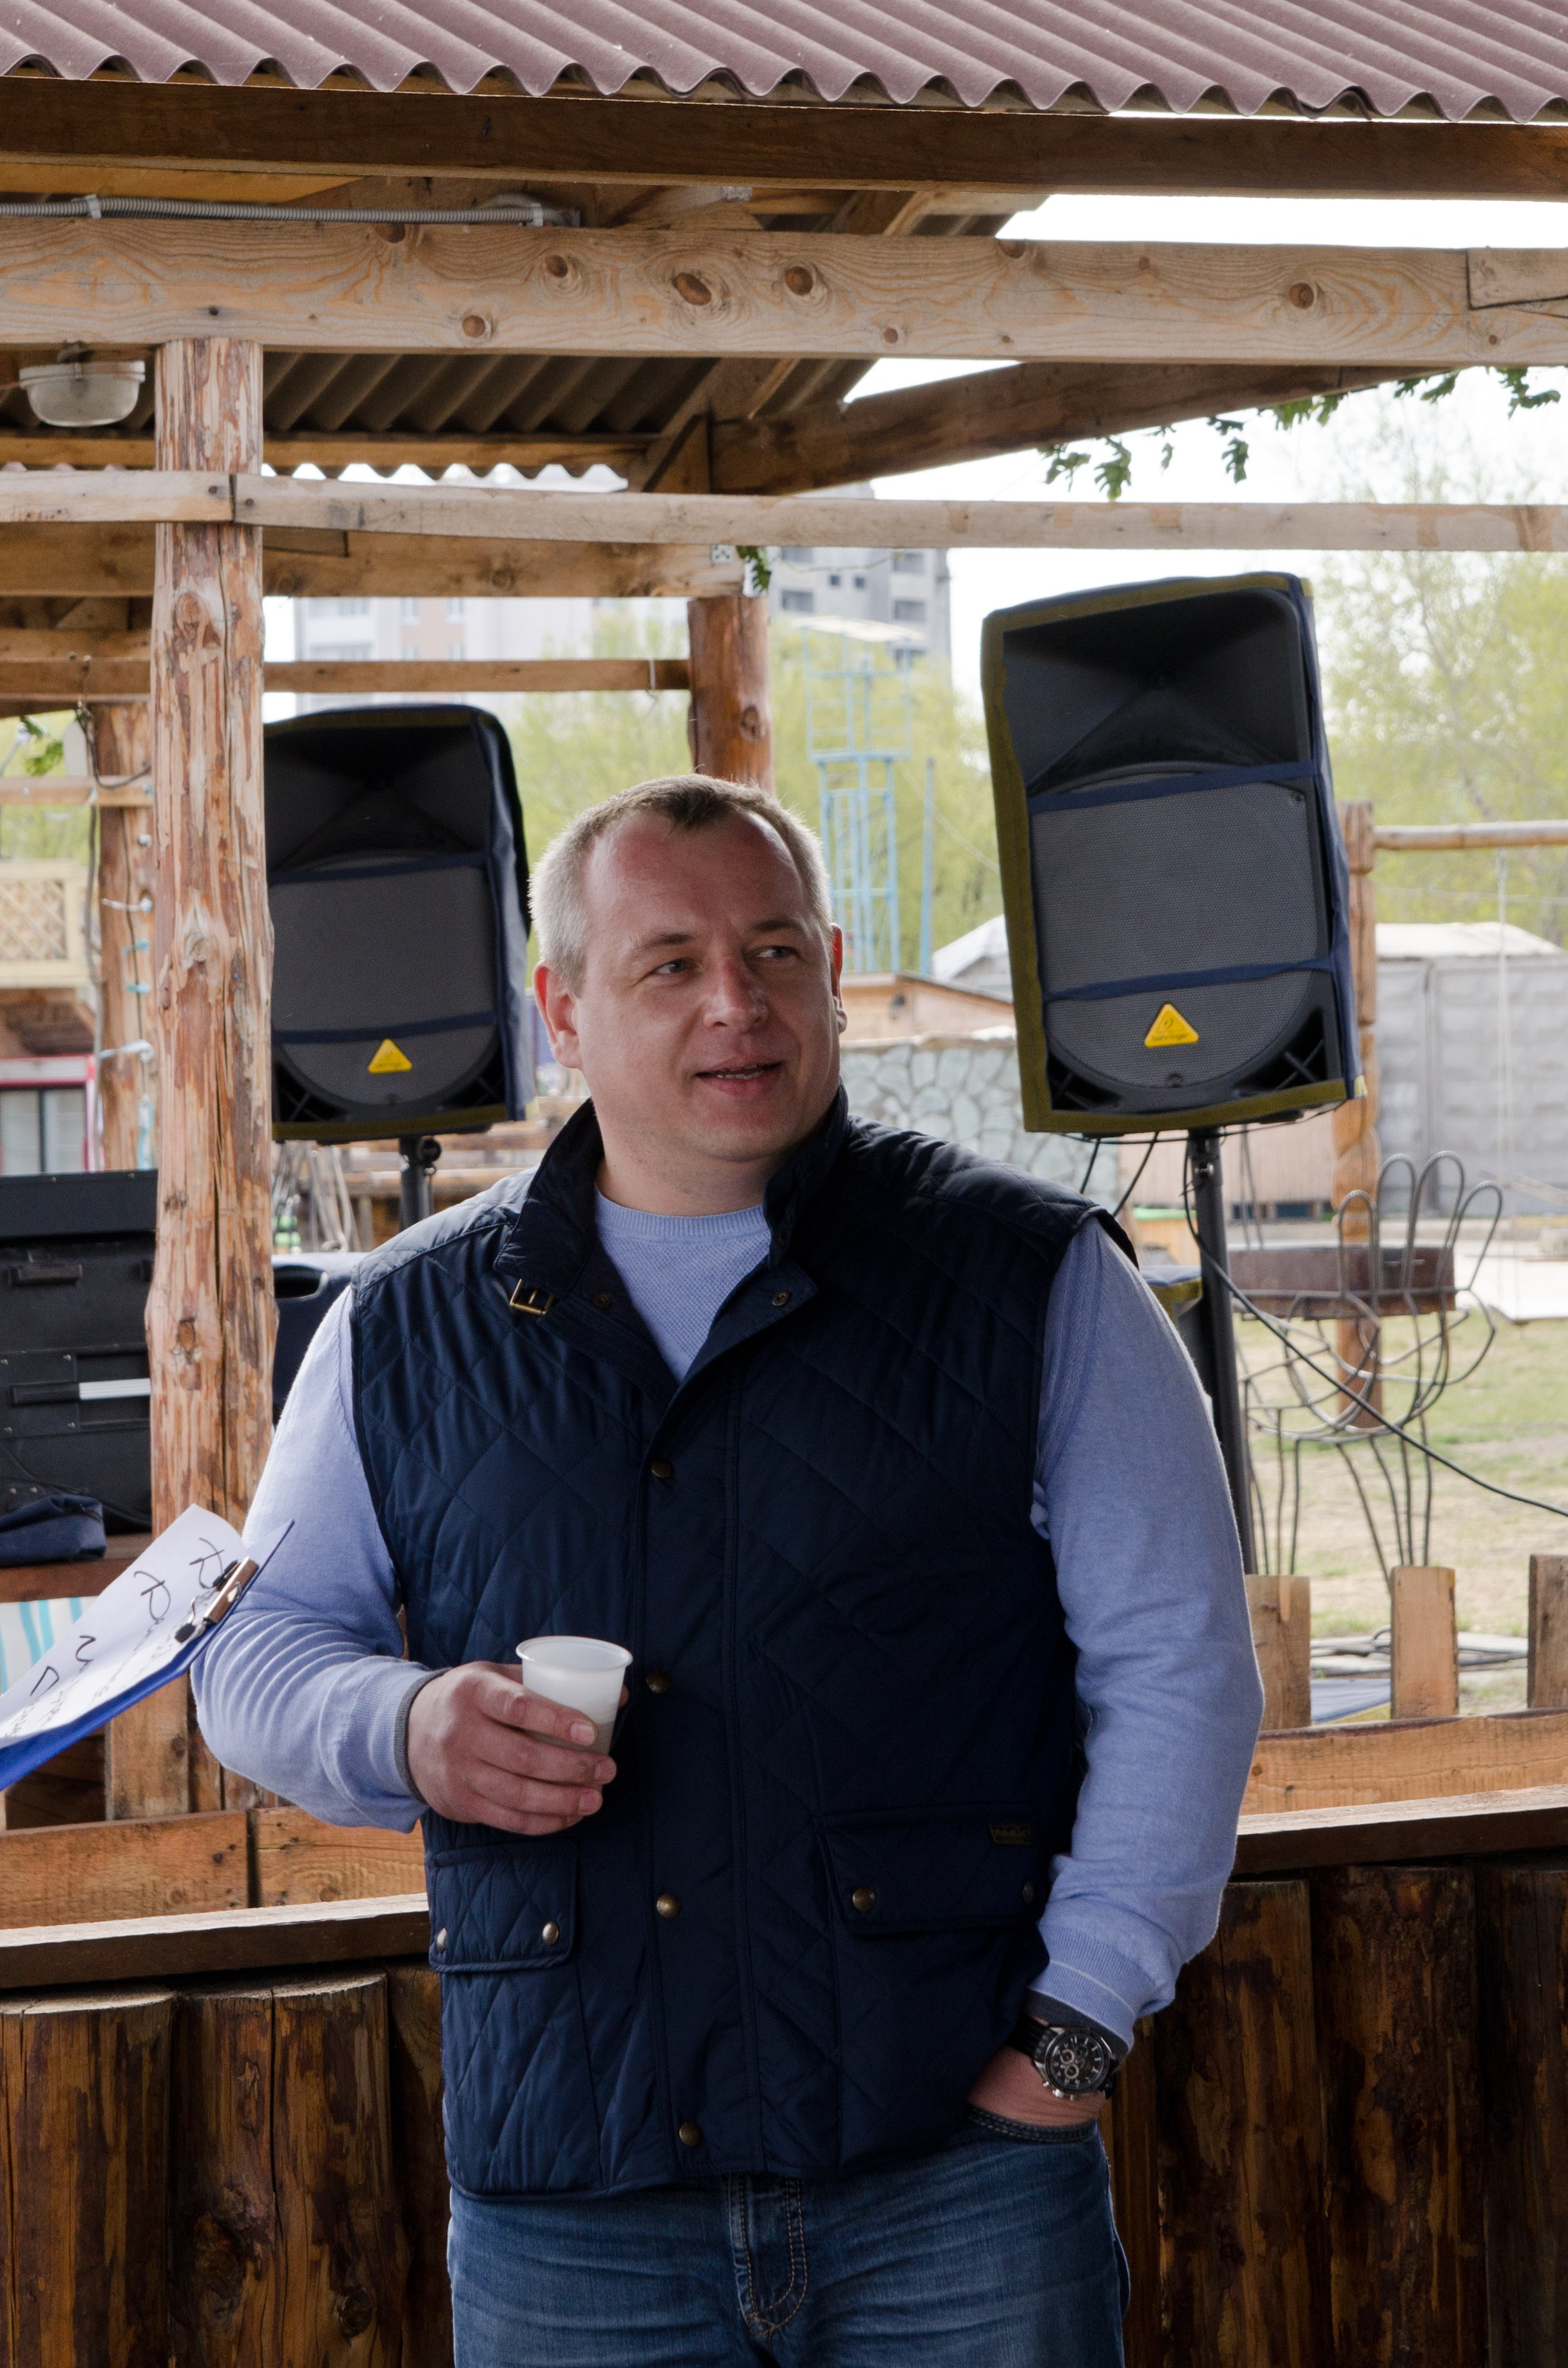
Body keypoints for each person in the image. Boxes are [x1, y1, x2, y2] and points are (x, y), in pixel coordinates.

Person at [196, 773, 1261, 2368]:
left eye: (772, 952)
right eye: (669, 962)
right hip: (574, 2204)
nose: (733, 1004)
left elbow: (1179, 1665)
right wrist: (405, 1726)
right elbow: (253, 1650)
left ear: (832, 967)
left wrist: (1070, 2034)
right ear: (561, 1007)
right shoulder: (399, 1324)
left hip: (954, 2178)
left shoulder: (1036, 1279)